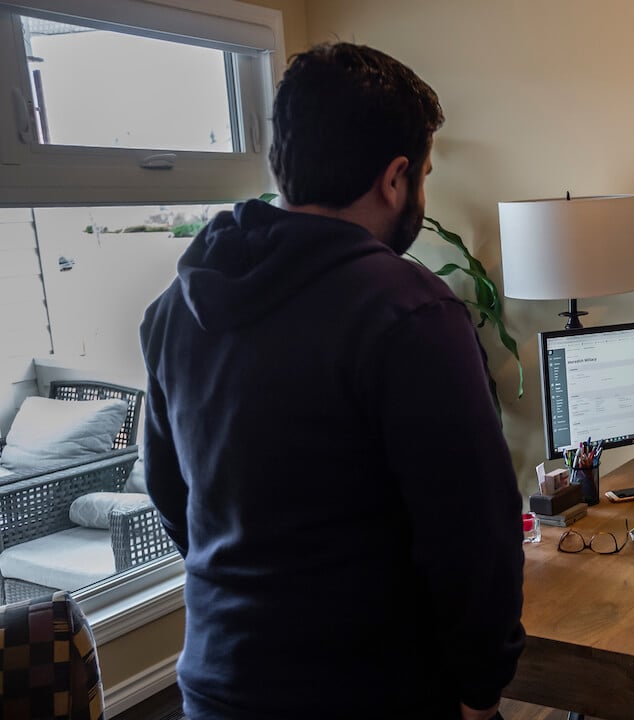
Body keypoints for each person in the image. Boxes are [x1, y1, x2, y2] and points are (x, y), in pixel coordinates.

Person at [139, 43, 524, 720]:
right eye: (425, 174)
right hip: (373, 691)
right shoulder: (412, 311)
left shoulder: (174, 309)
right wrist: (481, 685)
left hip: (219, 683)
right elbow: (472, 532)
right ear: (396, 178)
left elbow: (172, 495)